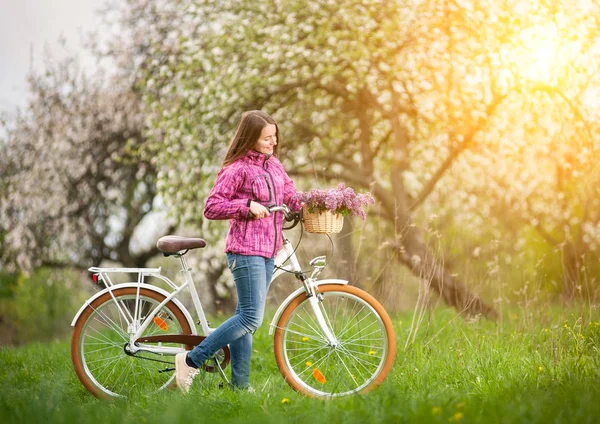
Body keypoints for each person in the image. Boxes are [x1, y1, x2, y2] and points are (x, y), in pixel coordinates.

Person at [175, 110, 302, 393]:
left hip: (269, 249)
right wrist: (245, 206)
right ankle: (191, 360)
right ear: (251, 138)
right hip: (245, 250)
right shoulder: (237, 168)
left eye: (275, 136)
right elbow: (212, 206)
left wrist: (313, 204)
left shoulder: (275, 166)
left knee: (246, 318)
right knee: (250, 318)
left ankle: (239, 387)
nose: (273, 142)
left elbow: (291, 194)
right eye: (267, 138)